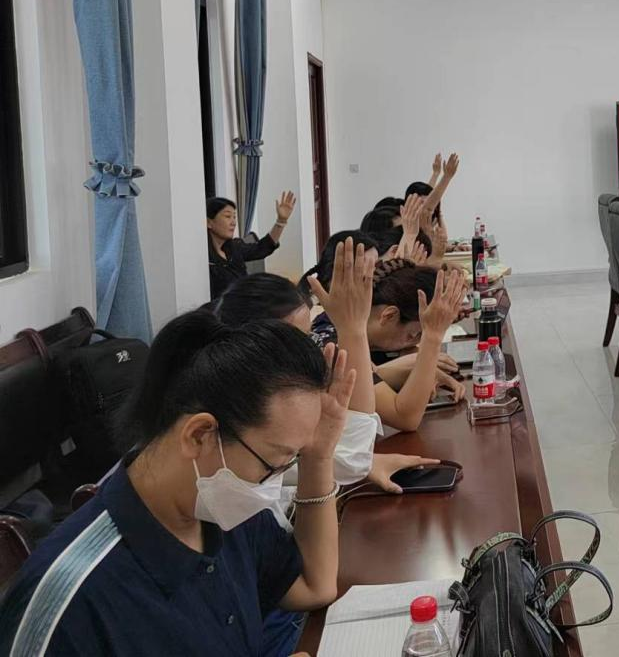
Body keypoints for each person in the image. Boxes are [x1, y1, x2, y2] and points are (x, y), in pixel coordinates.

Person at [0, 312, 354, 656]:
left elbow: (314, 586)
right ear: (199, 435)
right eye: (274, 463)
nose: (272, 483)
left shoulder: (223, 512)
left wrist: (318, 457)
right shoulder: (72, 600)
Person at [213, 272, 440, 495]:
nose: (308, 348)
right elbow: (355, 458)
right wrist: (353, 330)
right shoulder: (249, 407)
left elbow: (341, 460)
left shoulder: (263, 382)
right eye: (299, 338)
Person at [308, 259, 467, 433]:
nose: (415, 342)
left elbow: (370, 378)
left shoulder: (340, 323)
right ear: (389, 316)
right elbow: (405, 418)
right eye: (414, 334)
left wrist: (418, 368)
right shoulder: (334, 347)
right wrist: (432, 337)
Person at [207, 192, 296, 299]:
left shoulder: (234, 248)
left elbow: (262, 248)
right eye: (227, 216)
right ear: (209, 222)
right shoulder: (206, 259)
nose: (233, 222)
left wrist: (281, 221)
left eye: (234, 217)